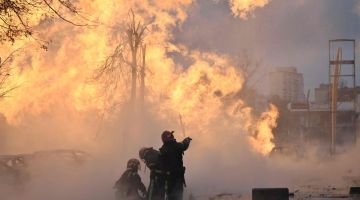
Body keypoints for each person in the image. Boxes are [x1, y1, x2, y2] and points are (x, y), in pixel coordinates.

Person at [159, 130, 192, 200]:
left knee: (170, 196)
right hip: (177, 178)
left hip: (168, 180)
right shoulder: (175, 145)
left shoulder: (162, 149)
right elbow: (183, 145)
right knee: (178, 196)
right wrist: (187, 140)